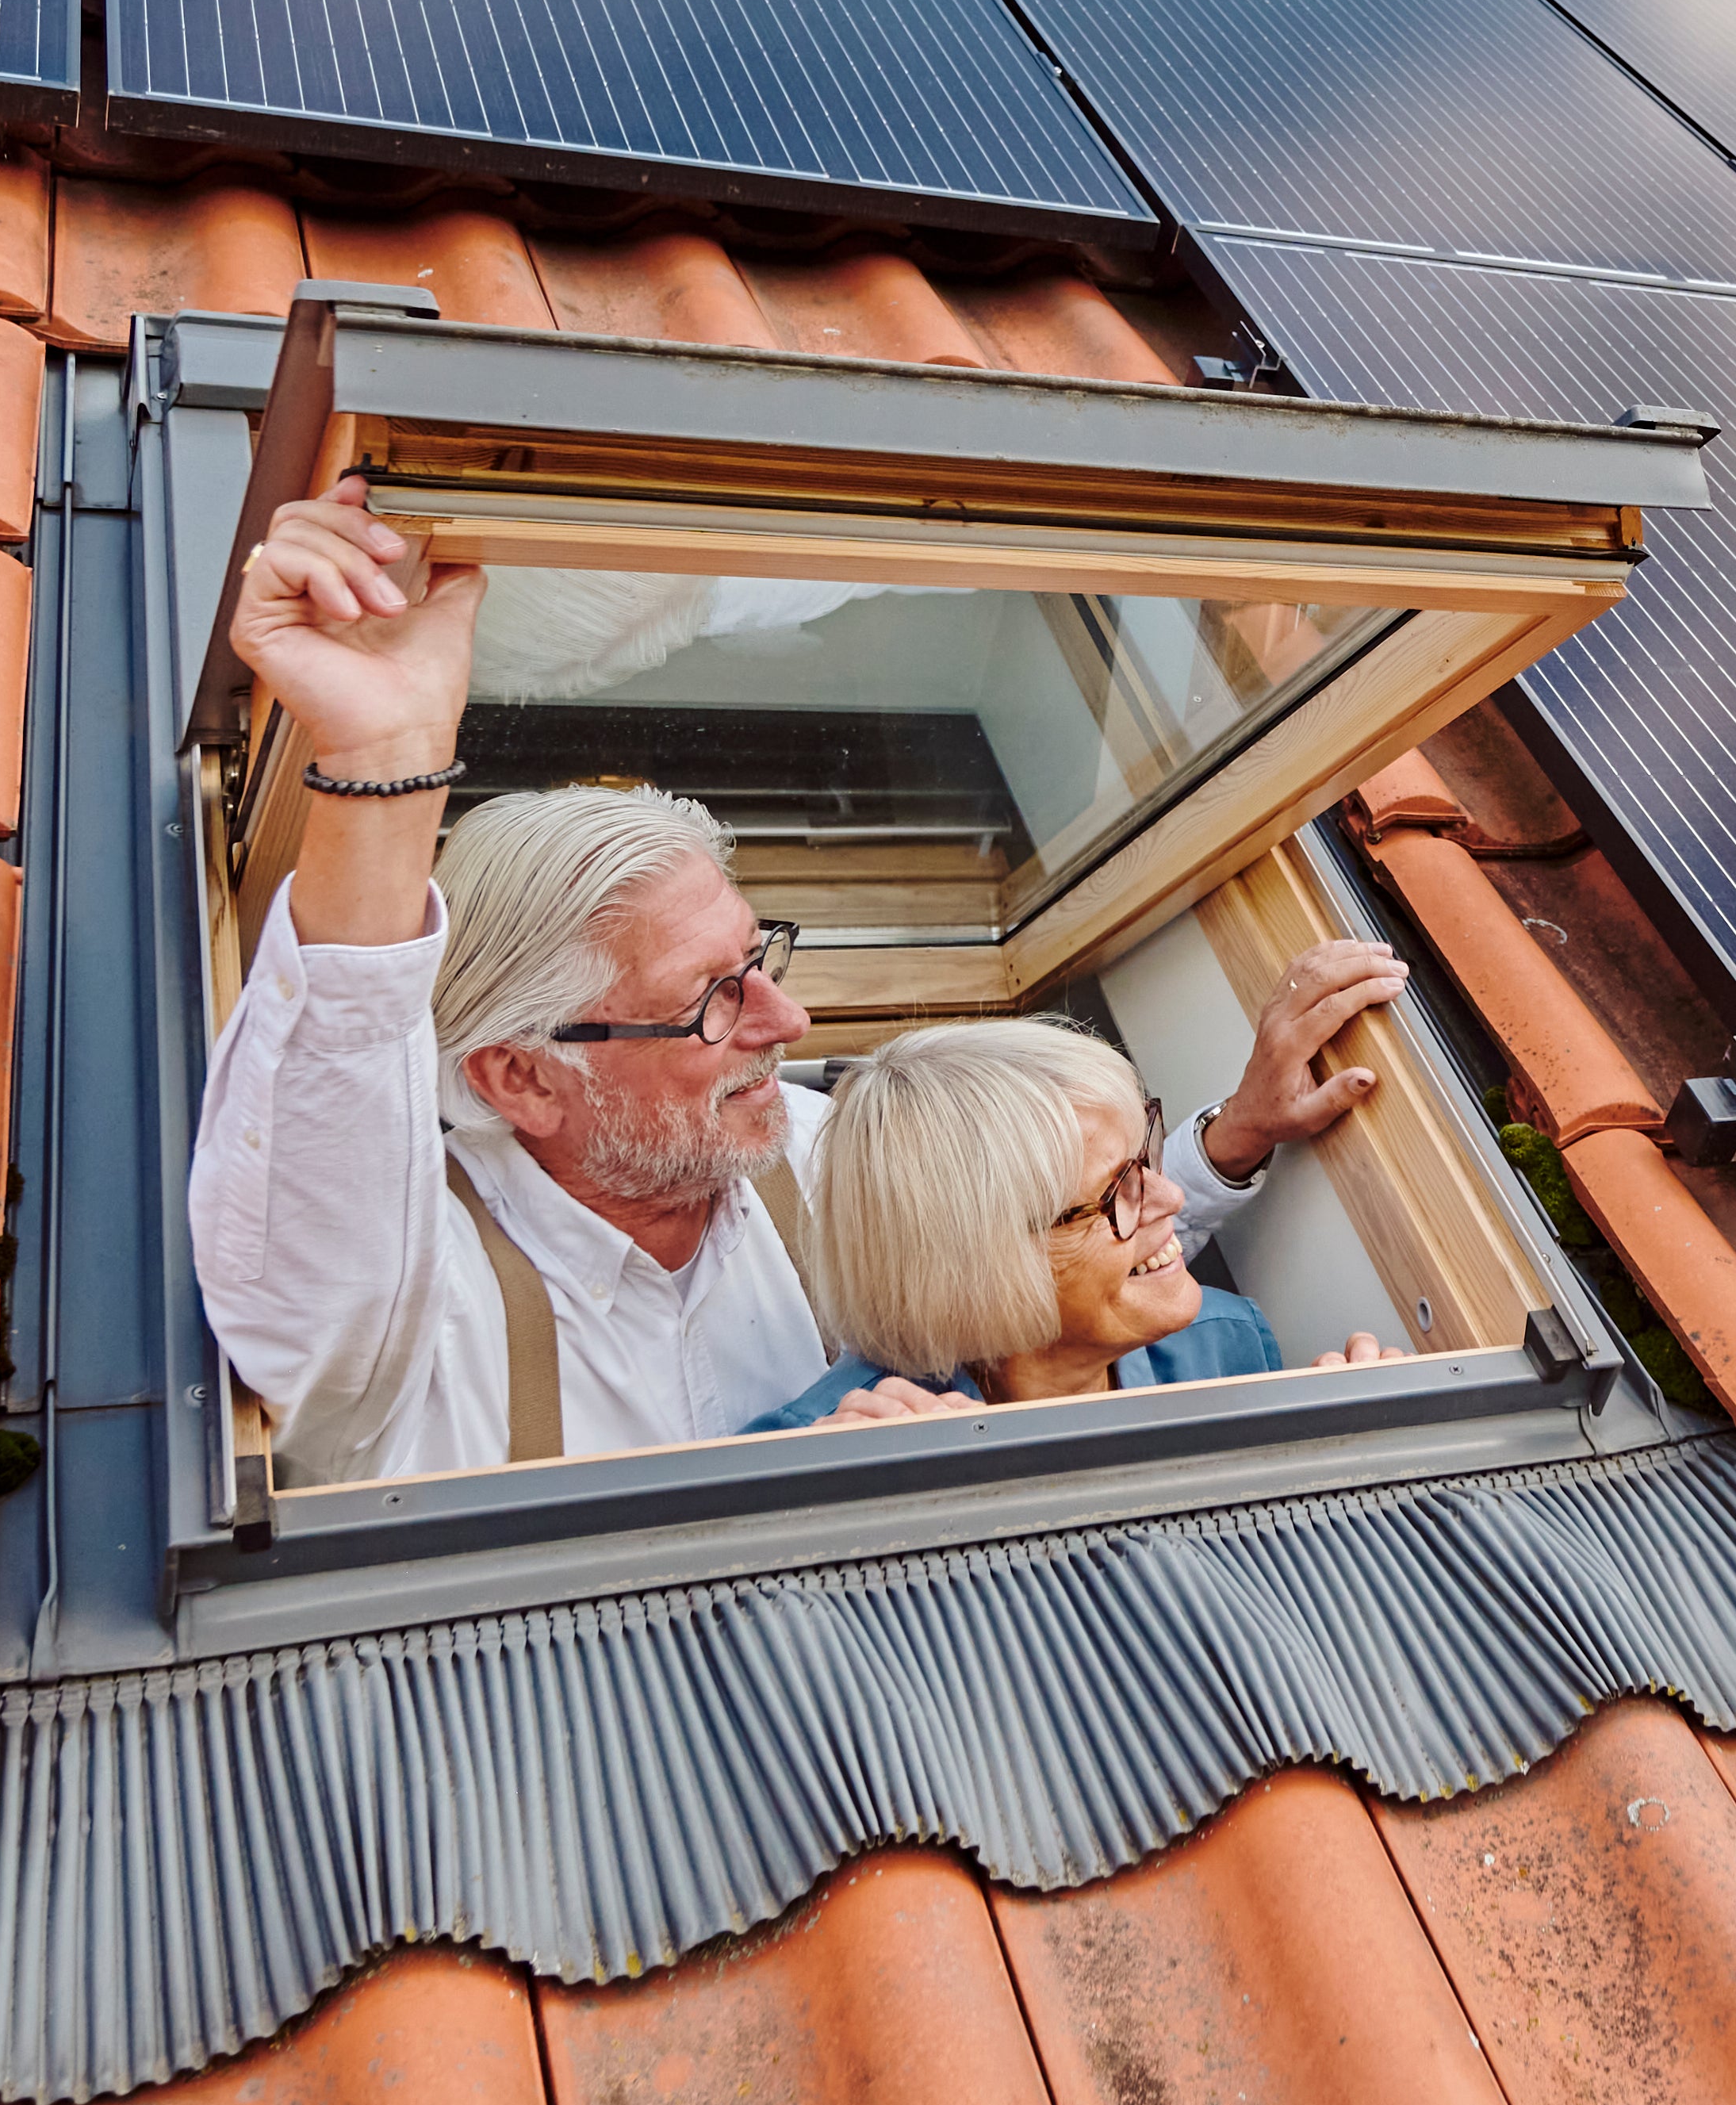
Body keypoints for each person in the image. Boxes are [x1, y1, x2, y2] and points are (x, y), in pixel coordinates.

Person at [190, 488, 1412, 1486]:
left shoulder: (806, 1152)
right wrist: (388, 762)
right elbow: (328, 1124)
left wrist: (1231, 1143)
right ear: (522, 1078)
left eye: (758, 962)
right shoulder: (408, 1290)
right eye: (713, 1001)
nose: (790, 1024)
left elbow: (1049, 1238)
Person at [754, 1016, 1408, 1432]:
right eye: (1118, 1193)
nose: (1172, 1198)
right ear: (979, 1268)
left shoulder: (1224, 1347)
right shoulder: (820, 1449)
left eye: (1143, 1158)